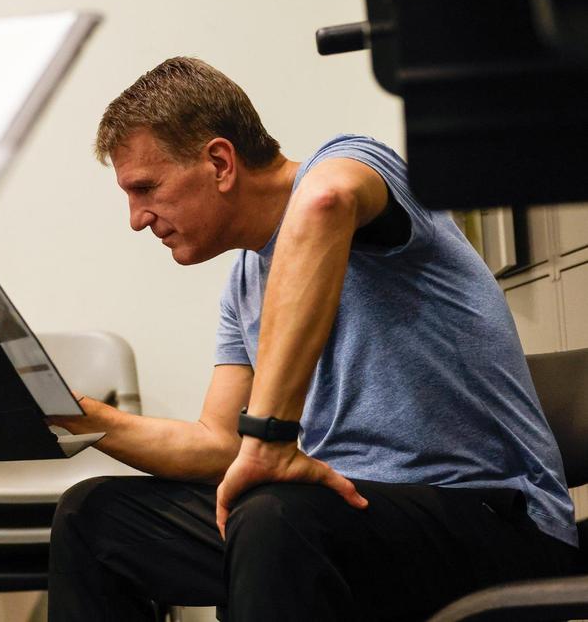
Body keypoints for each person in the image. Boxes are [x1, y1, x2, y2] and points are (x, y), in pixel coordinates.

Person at [45, 57, 577, 621]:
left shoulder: (357, 165)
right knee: (94, 517)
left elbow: (326, 203)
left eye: (146, 187)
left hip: (494, 520)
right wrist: (75, 416)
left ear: (220, 162)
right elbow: (219, 444)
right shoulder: (243, 284)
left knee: (273, 515)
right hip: (337, 520)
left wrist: (271, 438)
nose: (136, 218)